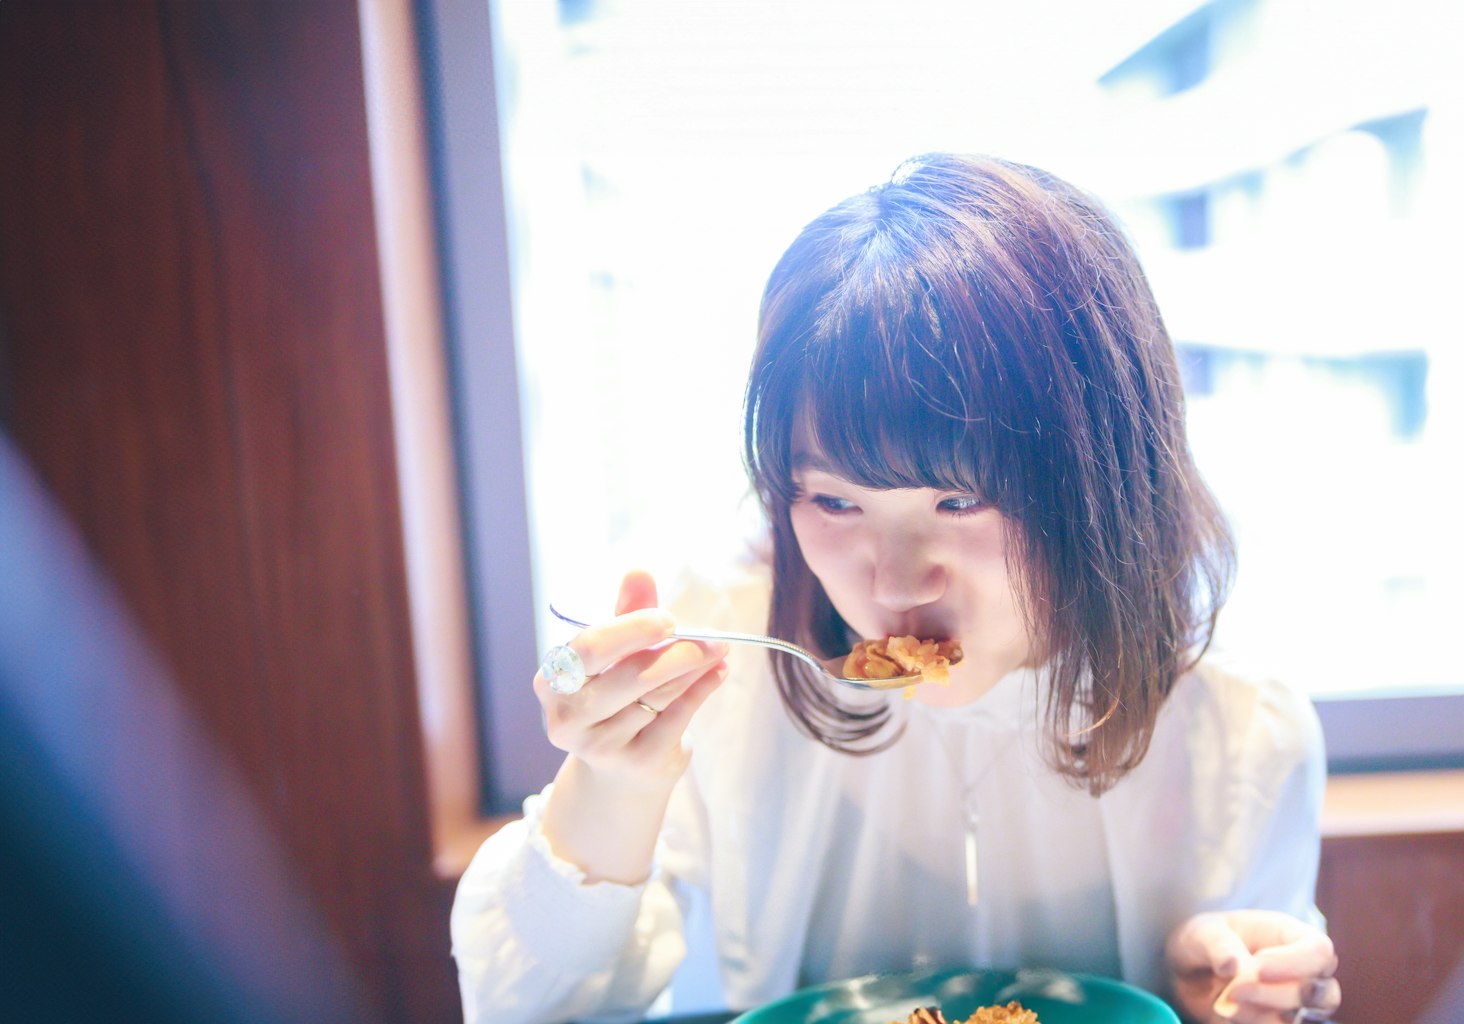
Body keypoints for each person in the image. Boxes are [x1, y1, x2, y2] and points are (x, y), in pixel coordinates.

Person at [450, 153, 1343, 1024]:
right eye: (835, 501)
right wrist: (613, 779)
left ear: (1102, 479)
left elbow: (1250, 989)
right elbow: (536, 1009)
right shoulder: (726, 663)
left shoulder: (1240, 736)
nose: (895, 582)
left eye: (960, 500)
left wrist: (1215, 996)